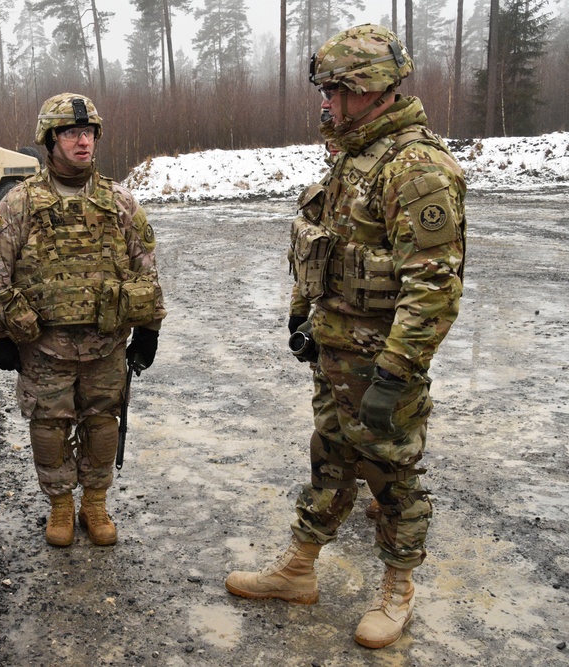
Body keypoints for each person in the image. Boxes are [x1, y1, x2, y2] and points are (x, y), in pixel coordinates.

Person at [226, 24, 466, 649]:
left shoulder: (417, 169)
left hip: (382, 366)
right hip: (335, 355)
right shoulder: (353, 156)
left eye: (335, 89)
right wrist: (303, 314)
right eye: (325, 89)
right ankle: (300, 568)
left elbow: (433, 289)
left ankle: (398, 589)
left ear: (372, 89)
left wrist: (395, 372)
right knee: (329, 455)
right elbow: (328, 250)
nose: (325, 101)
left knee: (392, 473)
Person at [0, 93, 165, 547]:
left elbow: (146, 266)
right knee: (49, 426)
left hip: (106, 343)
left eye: (88, 133)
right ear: (50, 140)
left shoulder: (118, 200)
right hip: (43, 346)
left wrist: (150, 328)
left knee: (103, 424)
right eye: (70, 133)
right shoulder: (21, 203)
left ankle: (95, 505)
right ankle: (61, 507)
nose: (82, 142)